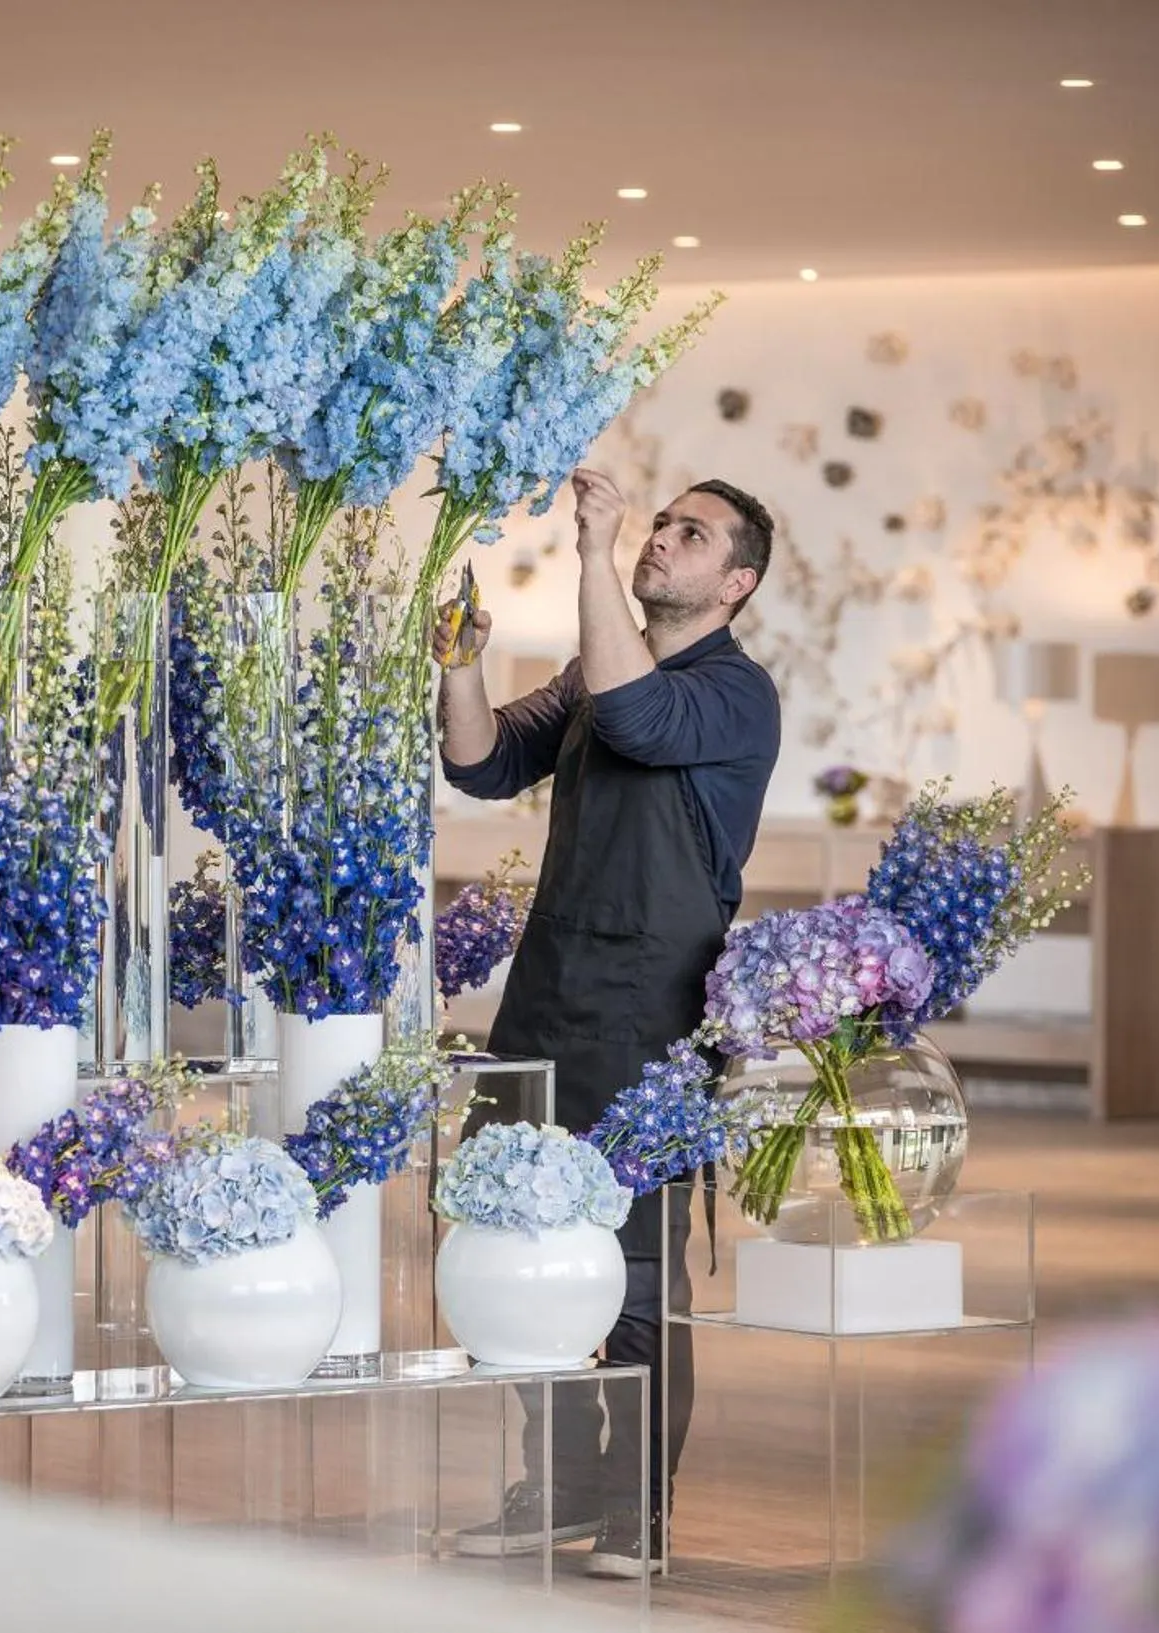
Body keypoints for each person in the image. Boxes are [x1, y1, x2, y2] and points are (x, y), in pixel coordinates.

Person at [438, 470, 780, 1576]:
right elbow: (482, 760)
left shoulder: (736, 695)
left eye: (689, 534)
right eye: (660, 523)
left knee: (632, 1276)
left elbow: (638, 717)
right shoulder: (595, 665)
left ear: (732, 584)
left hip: (650, 1017)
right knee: (511, 1252)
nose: (660, 542)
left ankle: (637, 1507)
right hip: (541, 1002)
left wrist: (591, 550)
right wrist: (457, 664)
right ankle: (555, 1487)